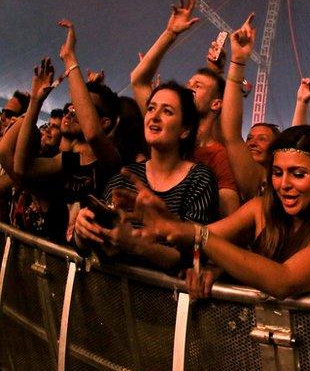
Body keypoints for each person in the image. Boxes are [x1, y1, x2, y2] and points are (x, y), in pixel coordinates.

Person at [135, 126, 310, 299]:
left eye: (298, 174)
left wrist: (199, 238)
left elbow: (284, 281)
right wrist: (153, 224)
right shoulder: (260, 208)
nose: (283, 184)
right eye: (277, 172)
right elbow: (197, 236)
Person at [74, 82, 219, 269]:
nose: (154, 117)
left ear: (185, 130)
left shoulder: (199, 180)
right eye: (151, 109)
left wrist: (135, 244)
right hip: (112, 291)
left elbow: (193, 255)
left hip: (167, 296)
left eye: (167, 111)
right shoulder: (126, 176)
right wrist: (83, 231)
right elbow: (87, 246)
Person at [2, 22, 122, 243]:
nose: (73, 110)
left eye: (82, 106)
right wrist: (36, 103)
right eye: (74, 105)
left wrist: (69, 57)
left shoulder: (110, 159)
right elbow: (21, 169)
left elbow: (93, 133)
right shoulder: (71, 161)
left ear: (105, 122)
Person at [130, 0, 240, 216]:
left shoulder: (216, 156)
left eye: (197, 86)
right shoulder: (164, 126)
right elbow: (139, 80)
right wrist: (170, 33)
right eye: (189, 83)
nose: (189, 88)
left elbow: (229, 216)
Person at [219, 14, 279, 201]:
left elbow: (231, 133)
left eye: (262, 139)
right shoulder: (243, 174)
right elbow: (230, 133)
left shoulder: (270, 183)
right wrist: (237, 59)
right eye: (250, 138)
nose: (252, 143)